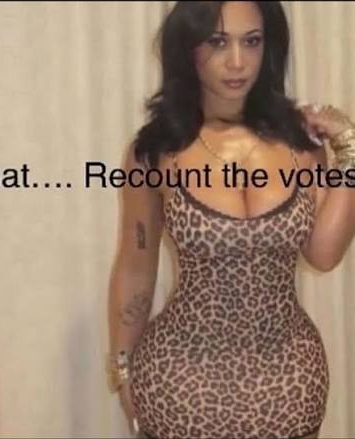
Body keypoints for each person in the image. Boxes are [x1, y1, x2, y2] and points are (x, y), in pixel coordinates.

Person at [106, 2, 355, 438]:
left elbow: (324, 254)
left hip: (289, 382)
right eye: (218, 42)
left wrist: (349, 147)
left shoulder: (301, 143)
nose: (237, 62)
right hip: (179, 382)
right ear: (188, 47)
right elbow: (136, 266)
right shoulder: (156, 151)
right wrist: (122, 367)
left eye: (251, 41)